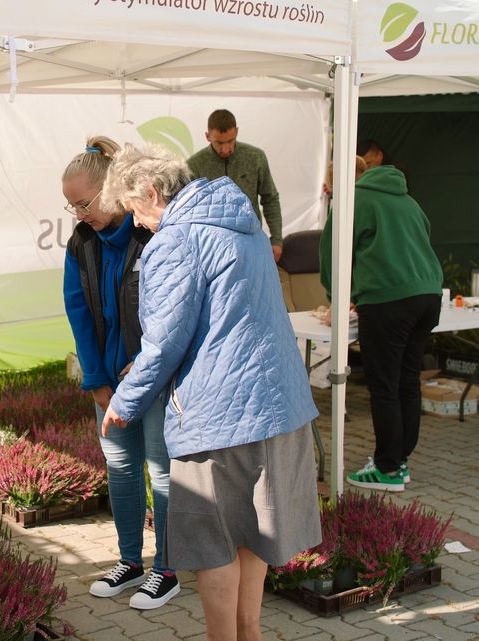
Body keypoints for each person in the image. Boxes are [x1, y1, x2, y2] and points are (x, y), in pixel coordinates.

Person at [99, 143, 321, 641]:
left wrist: (124, 401)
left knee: (211, 542)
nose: (136, 223)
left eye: (135, 209)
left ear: (153, 193)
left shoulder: (175, 241)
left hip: (217, 415)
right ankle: (250, 634)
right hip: (276, 404)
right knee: (252, 533)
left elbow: (164, 343)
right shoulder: (243, 224)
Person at [61, 136, 178, 610]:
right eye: (70, 206)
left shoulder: (151, 231)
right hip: (109, 381)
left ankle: (166, 569)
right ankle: (130, 561)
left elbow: (173, 308)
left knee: (162, 470)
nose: (78, 214)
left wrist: (146, 366)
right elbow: (78, 312)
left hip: (154, 378)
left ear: (111, 187)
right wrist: (97, 380)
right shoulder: (81, 242)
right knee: (122, 469)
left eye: (83, 203)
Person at [319, 162, 443, 492]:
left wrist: (337, 298)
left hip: (388, 302)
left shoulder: (352, 201)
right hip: (428, 296)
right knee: (407, 381)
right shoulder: (408, 200)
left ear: (338, 182)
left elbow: (333, 254)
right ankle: (399, 462)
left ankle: (387, 469)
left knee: (384, 386)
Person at [186, 109, 283, 262]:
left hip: (252, 241)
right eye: (219, 143)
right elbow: (189, 210)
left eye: (230, 141)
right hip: (212, 247)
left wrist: (276, 239)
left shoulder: (255, 157)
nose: (226, 149)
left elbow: (270, 198)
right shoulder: (194, 165)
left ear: (237, 132)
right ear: (208, 136)